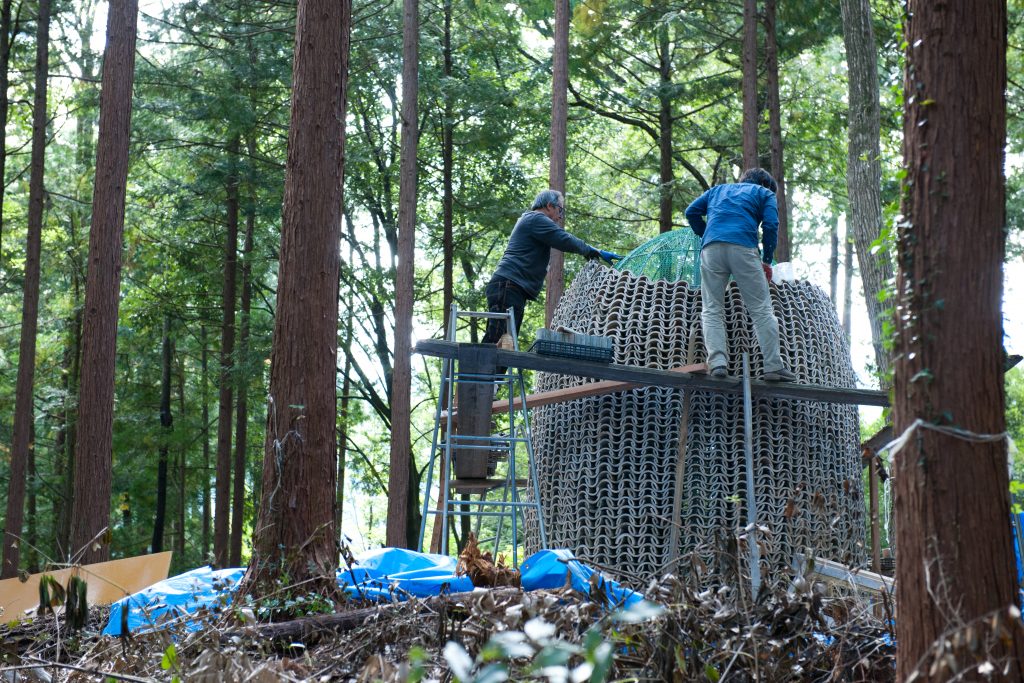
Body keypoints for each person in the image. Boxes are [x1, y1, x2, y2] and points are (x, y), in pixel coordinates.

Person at [685, 168, 797, 382]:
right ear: (764, 183)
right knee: (761, 309)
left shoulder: (717, 191)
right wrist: (766, 259)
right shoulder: (764, 193)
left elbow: (691, 212)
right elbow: (772, 225)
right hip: (743, 248)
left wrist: (706, 233)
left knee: (711, 309)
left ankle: (717, 363)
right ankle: (773, 365)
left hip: (711, 250)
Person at [482, 189, 620, 345]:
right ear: (549, 205)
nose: (560, 216)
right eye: (560, 210)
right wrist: (594, 251)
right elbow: (564, 239)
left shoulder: (531, 220)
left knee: (505, 343)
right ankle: (479, 369)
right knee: (499, 341)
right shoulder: (536, 219)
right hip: (508, 286)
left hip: (510, 287)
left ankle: (489, 370)